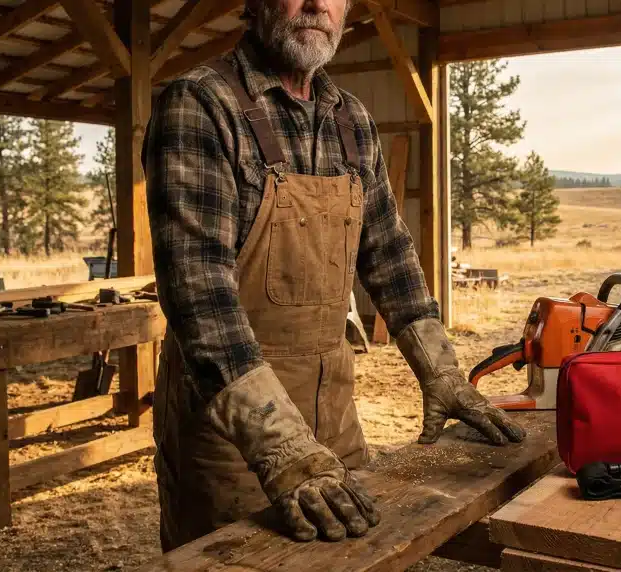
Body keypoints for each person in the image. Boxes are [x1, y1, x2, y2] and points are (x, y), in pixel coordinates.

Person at [141, 0, 526, 553]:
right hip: (236, 436)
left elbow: (390, 256)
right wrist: (282, 447)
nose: (318, 4)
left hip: (336, 422)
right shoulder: (201, 105)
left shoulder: (351, 119)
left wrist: (442, 372)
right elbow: (199, 296)